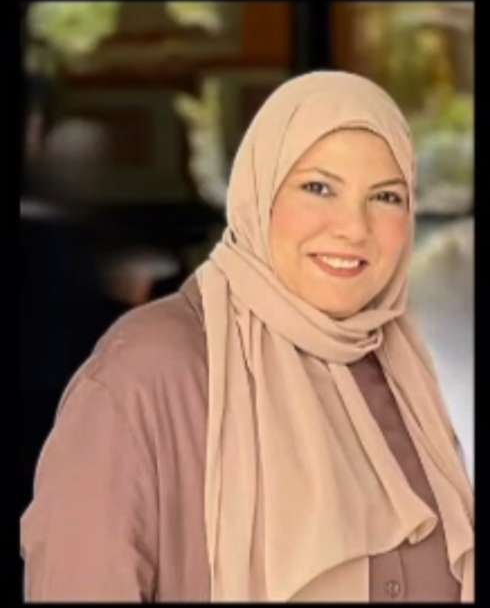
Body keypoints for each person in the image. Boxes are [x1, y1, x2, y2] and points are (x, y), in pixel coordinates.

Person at [20, 71, 474, 602]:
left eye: (387, 196)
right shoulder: (148, 376)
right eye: (319, 187)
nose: (354, 227)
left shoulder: (405, 380)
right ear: (259, 192)